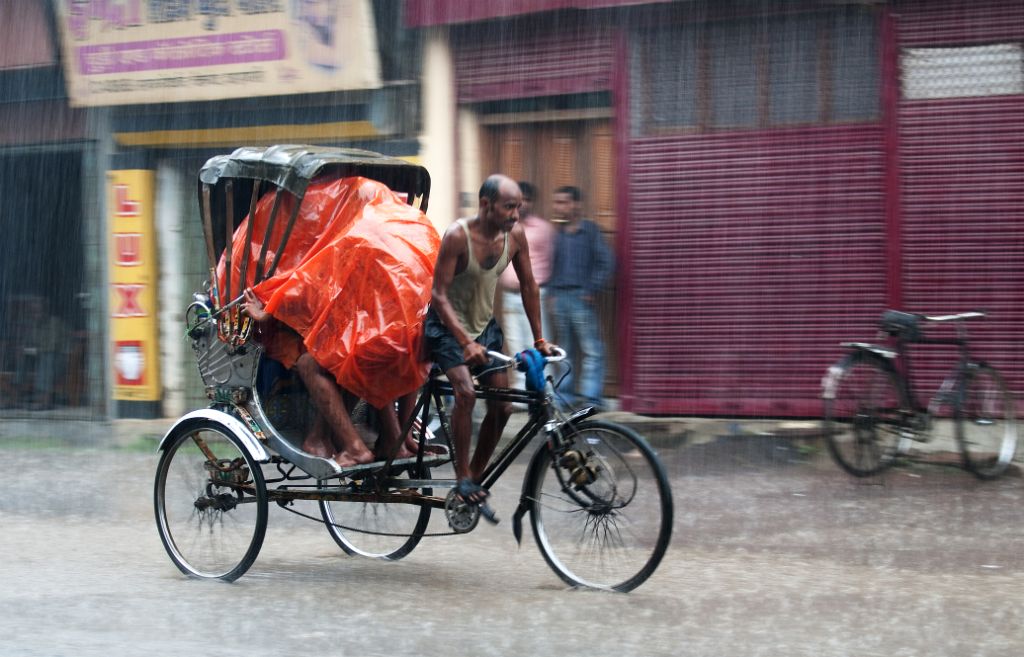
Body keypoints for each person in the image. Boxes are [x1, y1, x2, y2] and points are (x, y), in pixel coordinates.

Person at [425, 175, 557, 510]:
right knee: (466, 394)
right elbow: (438, 296)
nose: (516, 214)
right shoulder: (458, 236)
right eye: (509, 207)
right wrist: (464, 341)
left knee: (503, 406)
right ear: (486, 205)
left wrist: (539, 338)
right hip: (446, 328)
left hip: (485, 328)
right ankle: (461, 476)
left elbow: (529, 285)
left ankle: (475, 479)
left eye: (519, 207)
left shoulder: (515, 235)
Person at [243, 289, 414, 468]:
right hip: (397, 331)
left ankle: (351, 447)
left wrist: (268, 312)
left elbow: (308, 286)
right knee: (349, 357)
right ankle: (395, 439)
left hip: (376, 330)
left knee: (314, 363)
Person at [548, 185, 614, 411]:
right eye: (557, 202)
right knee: (564, 350)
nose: (559, 207)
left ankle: (591, 399)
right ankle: (564, 397)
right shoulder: (557, 234)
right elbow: (551, 265)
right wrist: (552, 293)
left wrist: (592, 288)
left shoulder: (590, 231)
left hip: (581, 299)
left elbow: (607, 262)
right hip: (560, 299)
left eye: (564, 202)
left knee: (592, 350)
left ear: (576, 204)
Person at [497, 182, 556, 392]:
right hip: (509, 296)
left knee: (539, 343)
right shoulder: (504, 228)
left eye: (525, 201)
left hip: (534, 295)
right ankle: (523, 392)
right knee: (515, 344)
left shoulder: (544, 229)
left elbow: (552, 260)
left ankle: (547, 392)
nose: (521, 206)